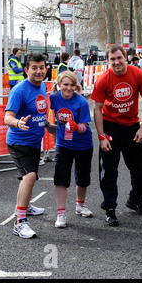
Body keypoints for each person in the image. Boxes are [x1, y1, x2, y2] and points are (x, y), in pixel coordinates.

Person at [91, 45, 142, 226]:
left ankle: (135, 199)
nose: (117, 62)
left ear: (124, 57)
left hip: (132, 126)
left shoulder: (138, 74)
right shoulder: (103, 79)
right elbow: (97, 108)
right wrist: (102, 137)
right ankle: (110, 208)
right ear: (108, 61)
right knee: (109, 170)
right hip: (111, 127)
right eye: (112, 59)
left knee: (141, 166)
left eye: (119, 58)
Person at [4, 52, 54, 238]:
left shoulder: (42, 87)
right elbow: (7, 117)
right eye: (34, 68)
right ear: (26, 70)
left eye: (42, 67)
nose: (39, 71)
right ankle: (20, 222)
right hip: (19, 142)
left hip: (34, 141)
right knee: (30, 176)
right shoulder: (19, 90)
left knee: (29, 178)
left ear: (46, 68)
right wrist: (18, 123)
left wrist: (49, 127)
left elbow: (38, 115)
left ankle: (26, 205)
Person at [49, 71, 94, 228]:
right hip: (63, 143)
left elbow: (85, 126)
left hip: (83, 144)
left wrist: (77, 127)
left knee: (82, 177)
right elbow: (40, 110)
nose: (69, 88)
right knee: (61, 178)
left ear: (76, 86)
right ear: (59, 85)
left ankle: (80, 205)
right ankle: (61, 213)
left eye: (72, 85)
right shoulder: (53, 98)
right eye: (65, 85)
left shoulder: (81, 102)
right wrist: (47, 126)